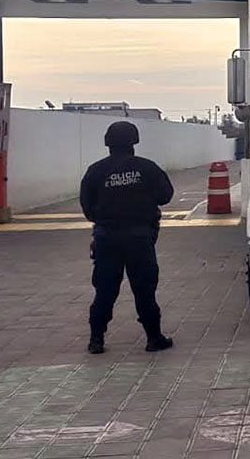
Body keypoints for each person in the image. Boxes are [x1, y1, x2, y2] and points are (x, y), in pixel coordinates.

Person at [80, 121, 175, 354]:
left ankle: (96, 340)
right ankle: (153, 338)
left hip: (106, 239)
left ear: (107, 143)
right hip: (140, 239)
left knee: (105, 290)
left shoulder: (95, 171)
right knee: (145, 290)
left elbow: (87, 208)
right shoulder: (147, 168)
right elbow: (165, 196)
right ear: (134, 141)